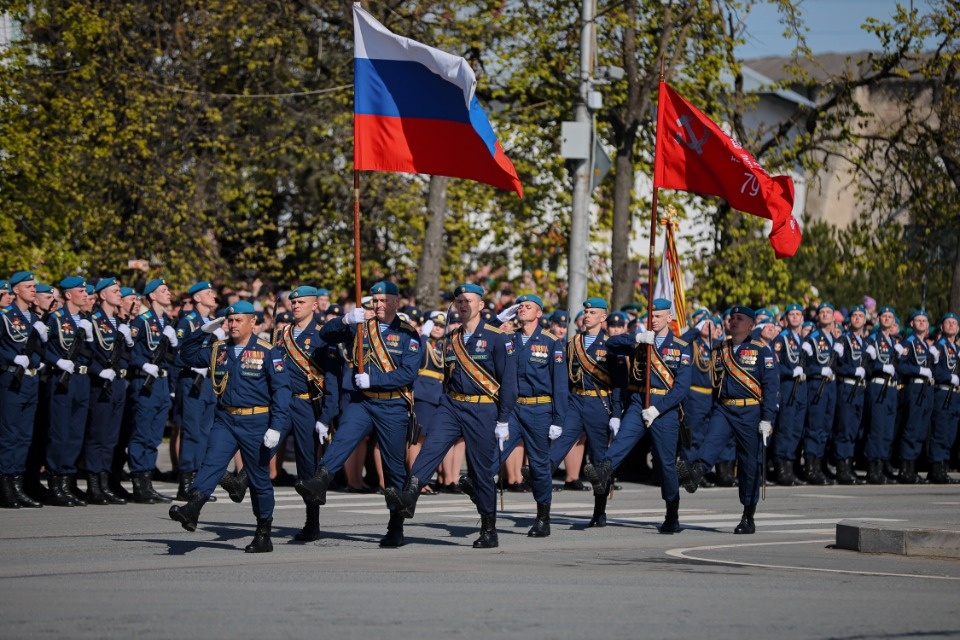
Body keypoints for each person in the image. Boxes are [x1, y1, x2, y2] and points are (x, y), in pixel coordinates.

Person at [385, 283, 518, 549]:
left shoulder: (497, 338)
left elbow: (510, 383)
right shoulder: (451, 338)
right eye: (459, 301)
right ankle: (410, 496)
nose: (463, 305)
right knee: (430, 449)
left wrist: (503, 420)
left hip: (483, 408)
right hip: (452, 405)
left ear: (481, 305)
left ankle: (489, 528)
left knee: (481, 472)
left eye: (469, 300)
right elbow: (448, 377)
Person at [295, 281, 420, 548]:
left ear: (396, 302)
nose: (378, 305)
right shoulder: (359, 325)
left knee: (393, 467)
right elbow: (323, 337)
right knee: (342, 440)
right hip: (362, 402)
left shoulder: (408, 333)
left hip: (393, 404)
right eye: (374, 301)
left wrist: (374, 380)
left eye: (384, 300)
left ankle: (395, 525)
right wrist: (344, 319)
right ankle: (320, 481)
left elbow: (408, 373)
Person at [170, 301, 291, 552]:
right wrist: (203, 330)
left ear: (252, 322)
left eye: (238, 320)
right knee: (212, 463)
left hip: (257, 421)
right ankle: (193, 508)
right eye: (229, 320)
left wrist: (276, 426)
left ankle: (263, 532)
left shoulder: (268, 351)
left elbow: (281, 391)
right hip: (226, 419)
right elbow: (186, 355)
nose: (232, 325)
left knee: (258, 479)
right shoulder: (219, 350)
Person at [586, 298, 692, 534]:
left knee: (665, 463)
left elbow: (681, 387)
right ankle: (602, 471)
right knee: (622, 441)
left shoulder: (681, 347)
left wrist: (658, 409)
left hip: (664, 407)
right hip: (638, 400)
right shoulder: (640, 342)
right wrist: (636, 338)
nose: (653, 320)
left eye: (658, 316)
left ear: (669, 318)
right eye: (650, 316)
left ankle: (672, 513)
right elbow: (611, 343)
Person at [677, 306, 779, 534]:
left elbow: (771, 387)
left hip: (750, 410)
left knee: (748, 465)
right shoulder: (719, 348)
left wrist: (767, 418)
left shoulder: (762, 351)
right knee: (710, 443)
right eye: (731, 318)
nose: (733, 321)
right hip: (724, 408)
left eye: (739, 319)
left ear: (751, 325)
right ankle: (695, 475)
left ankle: (747, 515)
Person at [492, 293, 568, 536]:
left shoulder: (550, 342)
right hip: (513, 409)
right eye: (520, 306)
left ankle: (543, 518)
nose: (522, 309)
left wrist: (558, 419)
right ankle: (479, 492)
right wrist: (497, 319)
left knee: (538, 466)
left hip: (539, 409)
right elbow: (481, 336)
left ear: (539, 313)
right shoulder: (509, 339)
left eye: (528, 307)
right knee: (494, 452)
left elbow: (560, 385)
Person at [549, 298, 621, 527]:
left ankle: (599, 511)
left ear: (603, 317)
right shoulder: (572, 344)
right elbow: (564, 379)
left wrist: (617, 413)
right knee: (558, 445)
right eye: (586, 311)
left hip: (599, 404)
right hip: (575, 402)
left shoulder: (612, 345)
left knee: (599, 460)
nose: (587, 315)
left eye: (593, 312)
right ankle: (541, 493)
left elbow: (620, 382)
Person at [275, 285, 339, 541]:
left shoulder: (324, 336)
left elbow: (332, 382)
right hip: (282, 402)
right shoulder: (282, 334)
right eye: (293, 302)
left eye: (301, 302)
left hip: (307, 405)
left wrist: (326, 417)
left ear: (314, 305)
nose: (295, 305)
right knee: (264, 449)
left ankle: (312, 522)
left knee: (307, 467)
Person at [42, 276, 94, 506]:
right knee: (60, 432)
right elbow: (41, 348)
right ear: (68, 295)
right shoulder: (55, 318)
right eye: (80, 291)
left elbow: (92, 353)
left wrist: (90, 338)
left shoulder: (84, 320)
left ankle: (67, 481)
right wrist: (57, 361)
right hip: (62, 379)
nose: (85, 294)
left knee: (75, 433)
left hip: (81, 379)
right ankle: (56, 483)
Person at [127, 278, 178, 503]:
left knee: (155, 435)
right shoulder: (142, 321)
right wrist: (142, 364)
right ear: (152, 296)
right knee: (142, 433)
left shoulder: (167, 321)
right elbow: (128, 352)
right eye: (163, 291)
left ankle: (147, 482)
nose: (169, 293)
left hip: (162, 383)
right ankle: (139, 484)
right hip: (145, 381)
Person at [83, 277, 132, 505]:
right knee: (98, 435)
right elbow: (87, 353)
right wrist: (98, 371)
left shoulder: (117, 322)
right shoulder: (94, 320)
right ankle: (94, 486)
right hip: (101, 383)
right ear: (102, 295)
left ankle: (104, 482)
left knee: (111, 437)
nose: (119, 294)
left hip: (118, 383)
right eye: (115, 291)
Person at [0, 271, 46, 508]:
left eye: (34, 286)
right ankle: (6, 486)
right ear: (15, 290)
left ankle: (18, 484)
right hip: (11, 380)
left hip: (31, 381)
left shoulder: (34, 319)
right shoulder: (5, 316)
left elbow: (40, 351)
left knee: (25, 436)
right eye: (28, 286)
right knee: (10, 435)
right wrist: (11, 358)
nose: (33, 290)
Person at [173, 281, 219, 500]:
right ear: (197, 298)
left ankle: (199, 483)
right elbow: (177, 354)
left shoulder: (213, 322)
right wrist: (194, 365)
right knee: (191, 432)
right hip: (192, 381)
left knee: (206, 433)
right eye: (208, 293)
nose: (213, 295)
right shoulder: (188, 322)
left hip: (209, 383)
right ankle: (185, 482)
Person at [800, 302, 842, 485]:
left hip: (831, 386)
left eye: (828, 312)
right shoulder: (812, 338)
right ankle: (810, 467)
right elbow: (803, 364)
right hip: (817, 385)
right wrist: (818, 370)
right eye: (822, 312)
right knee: (815, 428)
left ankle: (819, 465)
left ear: (833, 317)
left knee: (825, 428)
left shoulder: (835, 340)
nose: (825, 315)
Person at [895, 309, 935, 484]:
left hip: (925, 390)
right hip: (913, 388)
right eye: (918, 320)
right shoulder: (909, 342)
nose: (921, 323)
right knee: (911, 429)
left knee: (920, 430)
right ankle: (905, 468)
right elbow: (901, 366)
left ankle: (912, 468)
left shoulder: (925, 345)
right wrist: (919, 370)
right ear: (912, 324)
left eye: (924, 321)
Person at [861, 306, 900, 484]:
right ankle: (873, 468)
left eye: (890, 317)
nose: (887, 319)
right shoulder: (871, 340)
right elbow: (866, 366)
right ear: (878, 319)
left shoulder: (894, 342)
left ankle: (882, 465)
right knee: (876, 429)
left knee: (887, 430)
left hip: (891, 388)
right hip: (878, 387)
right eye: (884, 316)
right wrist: (880, 367)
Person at [771, 303, 807, 485]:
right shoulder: (781, 338)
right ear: (786, 318)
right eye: (791, 314)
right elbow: (775, 365)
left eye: (798, 314)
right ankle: (781, 469)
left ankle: (790, 467)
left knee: (796, 430)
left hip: (800, 389)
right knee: (785, 429)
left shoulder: (801, 340)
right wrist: (790, 372)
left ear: (802, 318)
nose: (794, 317)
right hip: (787, 387)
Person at [832, 304, 868, 484]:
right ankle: (842, 468)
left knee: (854, 429)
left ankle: (849, 465)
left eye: (861, 316)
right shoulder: (843, 340)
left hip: (860, 389)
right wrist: (851, 371)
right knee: (845, 428)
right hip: (847, 387)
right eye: (854, 315)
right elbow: (835, 364)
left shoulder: (866, 342)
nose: (857, 318)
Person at [929, 312, 959, 483]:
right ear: (942, 327)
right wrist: (948, 377)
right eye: (948, 322)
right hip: (943, 393)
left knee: (950, 433)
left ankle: (943, 467)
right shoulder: (938, 346)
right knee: (940, 431)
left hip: (954, 395)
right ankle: (936, 468)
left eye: (954, 323)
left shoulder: (956, 349)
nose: (951, 325)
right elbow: (933, 369)